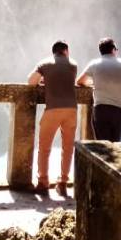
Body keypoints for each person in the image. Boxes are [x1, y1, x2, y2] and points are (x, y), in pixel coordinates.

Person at [28, 40, 78, 196]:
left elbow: (31, 81)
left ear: (53, 52)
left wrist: (44, 80)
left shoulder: (44, 63)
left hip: (53, 109)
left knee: (44, 148)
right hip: (71, 110)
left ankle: (43, 182)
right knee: (68, 148)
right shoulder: (73, 65)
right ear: (66, 51)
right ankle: (63, 182)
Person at [76, 37, 121, 142]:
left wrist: (94, 82)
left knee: (102, 145)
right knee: (116, 144)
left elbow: (79, 81)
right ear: (113, 50)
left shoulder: (94, 64)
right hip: (118, 110)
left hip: (101, 109)